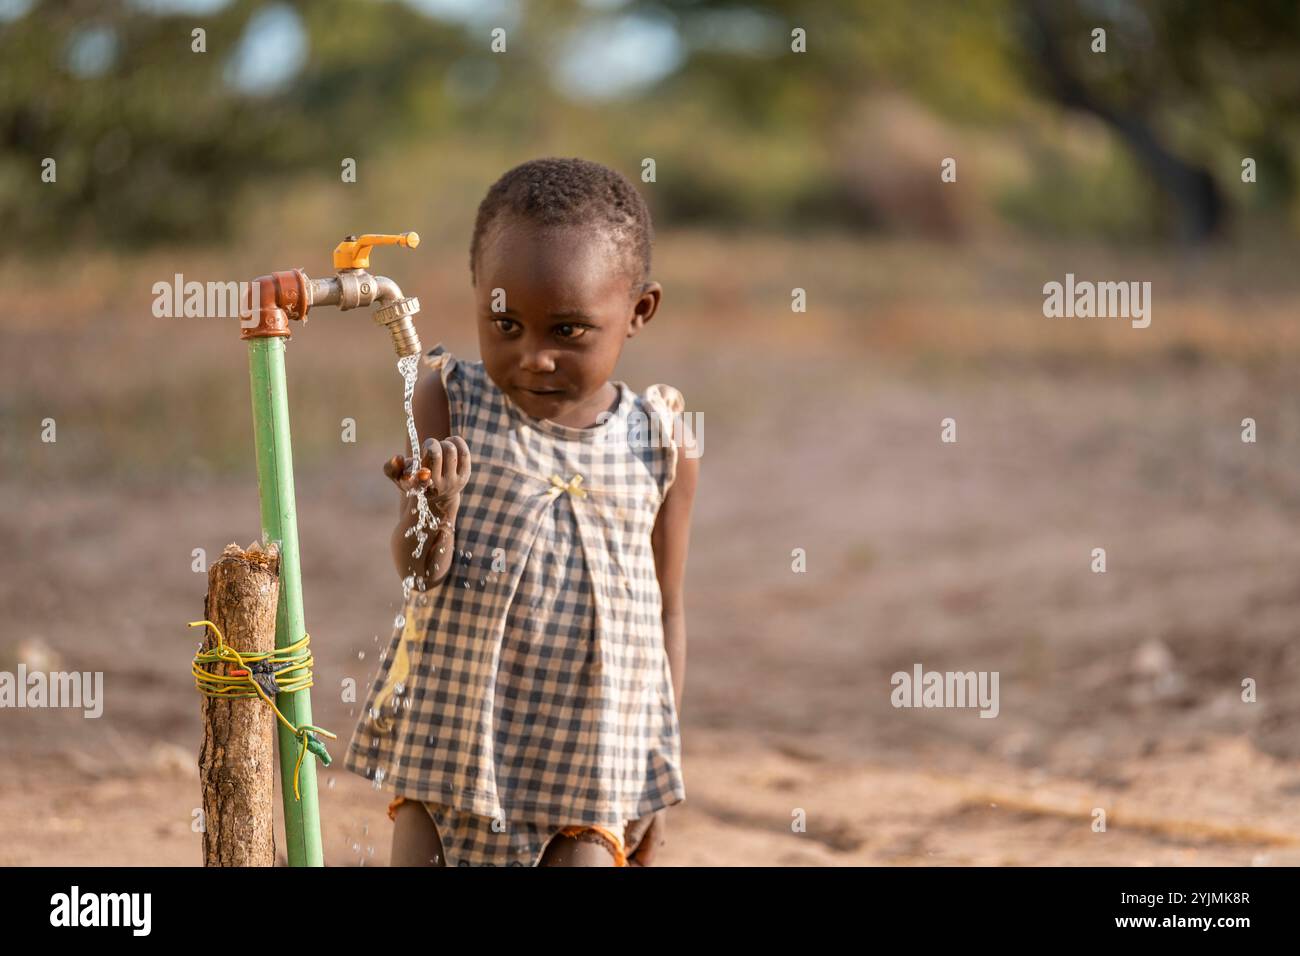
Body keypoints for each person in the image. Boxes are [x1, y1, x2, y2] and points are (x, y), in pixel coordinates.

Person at [341, 156, 699, 866]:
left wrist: (655, 775)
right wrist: (433, 512)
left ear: (639, 311)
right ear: (478, 295)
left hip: (594, 757)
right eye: (505, 324)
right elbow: (418, 572)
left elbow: (667, 612)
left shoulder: (662, 442)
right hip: (452, 741)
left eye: (568, 331)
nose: (532, 357)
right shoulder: (447, 403)